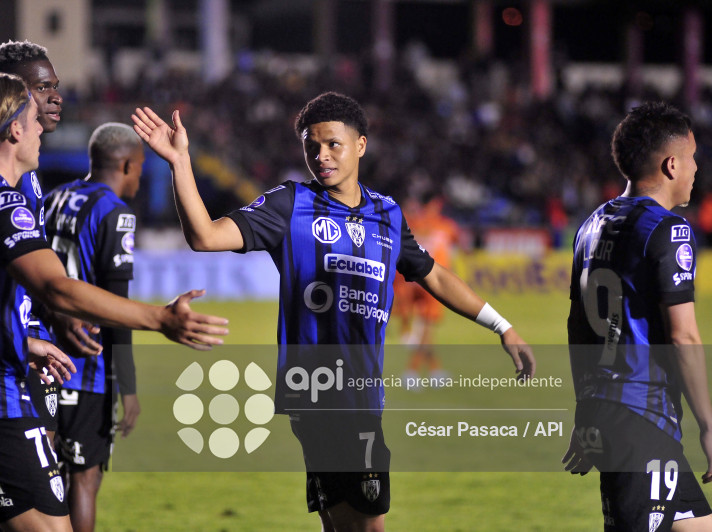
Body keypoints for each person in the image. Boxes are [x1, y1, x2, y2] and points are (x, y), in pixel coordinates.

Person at [132, 91, 534, 532]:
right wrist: (180, 162)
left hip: (362, 391)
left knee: (341, 523)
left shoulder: (387, 213)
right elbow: (205, 237)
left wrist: (502, 326)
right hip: (323, 390)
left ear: (361, 145)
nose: (321, 156)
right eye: (312, 146)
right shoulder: (290, 204)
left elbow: (434, 275)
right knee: (368, 525)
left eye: (332, 144)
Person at [0, 72, 228, 532]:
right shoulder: (0, 201)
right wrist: (159, 318)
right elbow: (57, 288)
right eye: (33, 120)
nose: (42, 129)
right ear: (14, 130)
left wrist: (24, 342)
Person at [0, 39, 101, 532]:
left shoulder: (27, 174)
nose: (56, 97)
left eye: (56, 86)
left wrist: (46, 323)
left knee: (24, 490)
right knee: (32, 494)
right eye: (43, 88)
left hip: (17, 354)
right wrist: (158, 318)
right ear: (8, 96)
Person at [562, 101, 712, 531]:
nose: (696, 168)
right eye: (692, 157)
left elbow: (576, 326)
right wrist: (708, 426)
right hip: (641, 420)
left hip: (614, 415)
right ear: (671, 164)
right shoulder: (669, 230)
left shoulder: (590, 226)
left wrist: (587, 408)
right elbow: (683, 337)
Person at [43, 122, 144, 532]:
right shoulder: (115, 213)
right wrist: (128, 388)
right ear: (126, 165)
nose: (138, 178)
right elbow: (117, 310)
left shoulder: (51, 199)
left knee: (37, 480)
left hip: (39, 361)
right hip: (87, 369)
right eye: (139, 168)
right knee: (84, 480)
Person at [392, 195, 460, 388]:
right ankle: (412, 372)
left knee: (425, 330)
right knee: (425, 328)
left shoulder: (437, 225)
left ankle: (433, 370)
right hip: (426, 280)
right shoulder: (433, 224)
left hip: (423, 279)